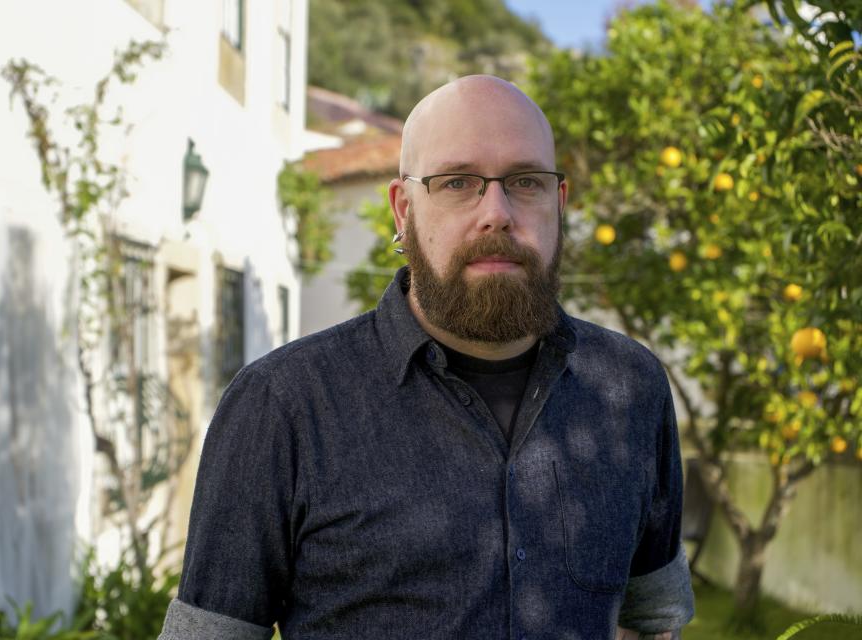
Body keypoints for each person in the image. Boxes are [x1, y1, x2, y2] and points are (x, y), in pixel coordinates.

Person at [158, 75, 694, 640]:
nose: (497, 213)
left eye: (525, 181)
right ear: (403, 208)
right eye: (458, 181)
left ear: (558, 203)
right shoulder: (282, 405)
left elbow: (651, 619)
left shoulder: (631, 388)